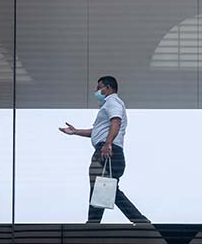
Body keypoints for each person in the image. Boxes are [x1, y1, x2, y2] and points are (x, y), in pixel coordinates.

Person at [58, 75, 149, 224]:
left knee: (99, 186)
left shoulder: (112, 102)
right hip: (110, 149)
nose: (96, 91)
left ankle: (93, 223)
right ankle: (139, 220)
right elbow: (96, 132)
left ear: (108, 88)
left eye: (99, 87)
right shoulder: (108, 105)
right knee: (106, 189)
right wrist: (75, 132)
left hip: (108, 150)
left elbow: (116, 122)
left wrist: (107, 144)